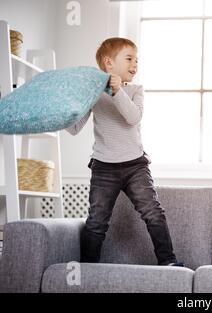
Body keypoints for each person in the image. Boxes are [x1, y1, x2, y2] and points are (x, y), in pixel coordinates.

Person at [66, 37, 182, 266]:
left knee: (153, 213)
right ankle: (88, 267)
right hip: (103, 166)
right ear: (109, 64)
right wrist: (68, 105)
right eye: (129, 58)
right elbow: (74, 128)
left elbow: (133, 118)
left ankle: (168, 262)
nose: (135, 64)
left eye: (136, 60)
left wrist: (118, 90)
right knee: (97, 221)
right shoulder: (94, 93)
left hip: (135, 166)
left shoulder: (136, 90)